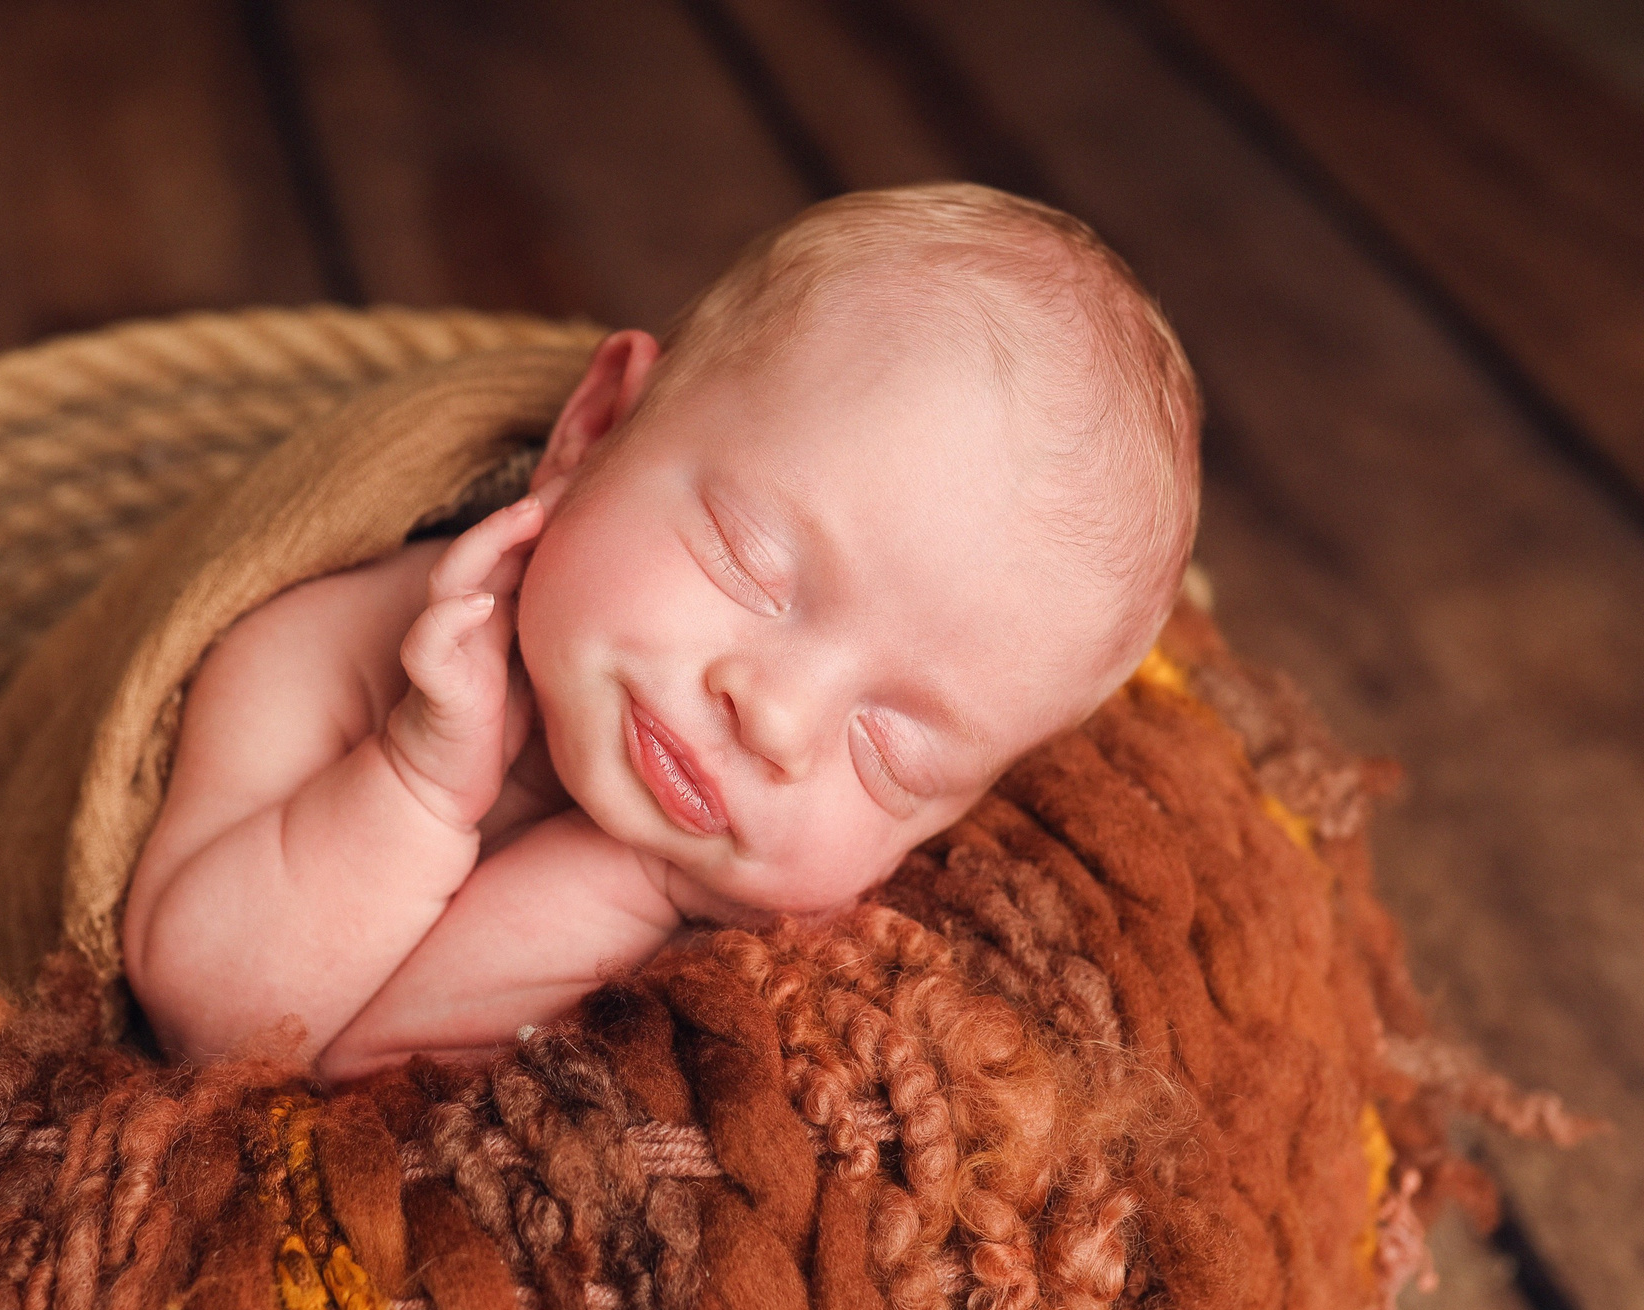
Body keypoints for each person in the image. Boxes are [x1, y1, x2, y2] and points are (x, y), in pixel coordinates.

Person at [121, 184, 1200, 1080]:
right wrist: (410, 784)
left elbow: (390, 1096)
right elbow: (214, 1035)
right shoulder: (336, 651)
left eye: (893, 754)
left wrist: (634, 881)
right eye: (748, 561)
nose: (778, 720)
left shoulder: (761, 945)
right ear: (591, 434)